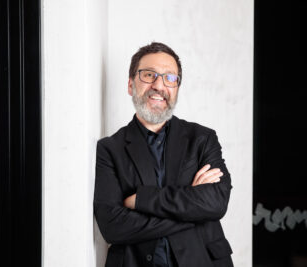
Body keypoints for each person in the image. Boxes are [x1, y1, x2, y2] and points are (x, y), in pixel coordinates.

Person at [94, 42, 233, 267]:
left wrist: (142, 200)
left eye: (170, 78)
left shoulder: (202, 139)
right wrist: (193, 210)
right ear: (131, 85)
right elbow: (113, 226)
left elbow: (216, 202)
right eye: (149, 75)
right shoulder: (110, 149)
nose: (159, 85)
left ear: (176, 88)